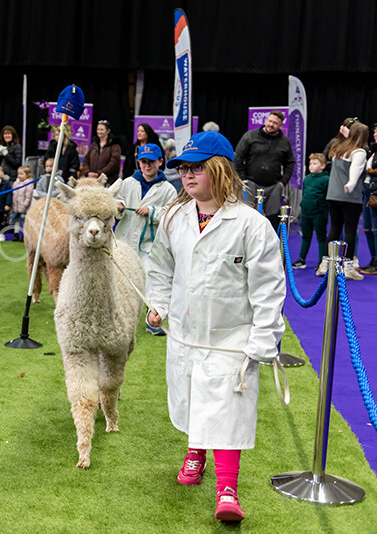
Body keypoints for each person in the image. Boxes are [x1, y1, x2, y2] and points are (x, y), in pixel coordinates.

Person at [146, 130, 286, 524]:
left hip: (232, 339)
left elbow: (268, 290)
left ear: (220, 170)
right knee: (191, 399)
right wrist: (157, 305)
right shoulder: (174, 217)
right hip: (187, 334)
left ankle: (228, 490)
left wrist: (263, 339)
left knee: (226, 409)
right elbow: (160, 267)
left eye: (197, 169)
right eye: (183, 169)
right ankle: (195, 452)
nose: (187, 176)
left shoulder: (252, 226)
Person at [114, 143, 177, 268]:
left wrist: (152, 211)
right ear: (139, 162)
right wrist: (119, 206)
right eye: (144, 162)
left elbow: (172, 216)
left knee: (145, 283)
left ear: (160, 161)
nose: (147, 166)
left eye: (151, 162)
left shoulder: (168, 190)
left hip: (150, 249)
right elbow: (116, 200)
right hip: (124, 242)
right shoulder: (127, 183)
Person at [234, 110, 295, 232]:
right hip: (251, 183)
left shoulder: (284, 141)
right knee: (249, 216)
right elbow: (238, 158)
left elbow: (290, 163)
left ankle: (270, 244)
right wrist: (243, 179)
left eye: (275, 123)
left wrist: (282, 182)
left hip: (274, 186)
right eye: (270, 121)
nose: (271, 124)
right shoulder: (250, 136)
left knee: (273, 219)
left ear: (280, 125)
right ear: (266, 120)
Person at [326, 120, 369, 280]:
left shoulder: (339, 148)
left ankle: (325, 263)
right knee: (350, 231)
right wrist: (351, 184)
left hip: (333, 195)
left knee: (335, 229)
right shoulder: (359, 152)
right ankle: (348, 267)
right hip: (349, 197)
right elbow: (355, 169)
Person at [291, 154, 329, 274]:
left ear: (322, 166)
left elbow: (327, 197)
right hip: (306, 212)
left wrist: (322, 207)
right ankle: (301, 259)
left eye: (315, 164)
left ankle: (321, 262)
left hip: (319, 213)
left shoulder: (326, 179)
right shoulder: (307, 178)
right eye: (310, 164)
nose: (311, 166)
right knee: (306, 236)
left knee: (321, 237)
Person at [82, 119, 122, 184]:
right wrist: (88, 172)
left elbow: (113, 163)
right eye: (98, 129)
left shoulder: (115, 146)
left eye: (102, 130)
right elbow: (86, 160)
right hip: (92, 181)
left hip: (108, 182)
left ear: (108, 131)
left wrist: (99, 174)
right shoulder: (94, 145)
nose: (99, 132)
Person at [361, 124, 377, 275]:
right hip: (367, 191)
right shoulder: (372, 150)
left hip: (375, 193)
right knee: (367, 228)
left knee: (376, 229)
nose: (376, 134)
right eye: (375, 132)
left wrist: (370, 171)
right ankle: (373, 260)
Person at [10, 165, 34, 241]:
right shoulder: (16, 183)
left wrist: (25, 205)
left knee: (24, 222)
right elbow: (13, 194)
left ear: (27, 175)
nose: (19, 176)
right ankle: (16, 234)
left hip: (24, 207)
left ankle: (24, 236)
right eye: (18, 174)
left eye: (21, 174)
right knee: (16, 221)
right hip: (16, 206)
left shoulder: (29, 184)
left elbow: (28, 196)